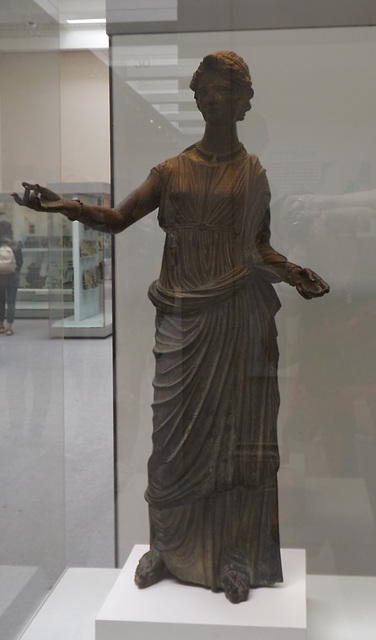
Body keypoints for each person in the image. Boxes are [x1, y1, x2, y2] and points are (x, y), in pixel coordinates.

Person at [12, 51, 329, 603]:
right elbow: (118, 220)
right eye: (211, 90)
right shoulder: (172, 171)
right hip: (182, 320)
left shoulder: (252, 173)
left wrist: (293, 273)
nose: (221, 100)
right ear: (198, 96)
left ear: (244, 102)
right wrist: (66, 206)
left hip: (233, 320)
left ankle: (234, 556)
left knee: (232, 441)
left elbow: (256, 249)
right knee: (168, 441)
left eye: (232, 92)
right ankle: (165, 545)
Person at [0, 220, 23, 335]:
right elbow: (20, 261)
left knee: (0, 301)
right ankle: (9, 327)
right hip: (12, 276)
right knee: (11, 302)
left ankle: (1, 326)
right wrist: (16, 272)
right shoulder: (15, 244)